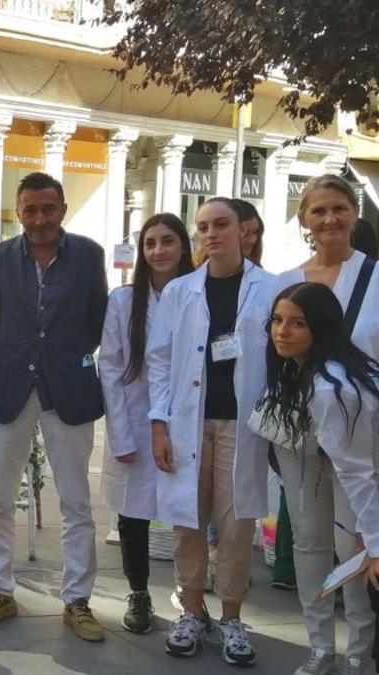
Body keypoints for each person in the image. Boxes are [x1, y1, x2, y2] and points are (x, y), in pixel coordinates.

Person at [0, 172, 108, 642]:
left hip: (68, 388)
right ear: (18, 212)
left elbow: (96, 322)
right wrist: (22, 357)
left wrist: (61, 359)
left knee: (76, 501)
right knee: (0, 499)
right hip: (11, 387)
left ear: (63, 209)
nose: (40, 219)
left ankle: (77, 599)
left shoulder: (88, 256)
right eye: (30, 210)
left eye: (48, 208)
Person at [147, 197, 274, 665]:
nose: (211, 234)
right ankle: (192, 610)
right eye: (203, 226)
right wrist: (158, 423)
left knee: (237, 523)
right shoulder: (180, 291)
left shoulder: (272, 288)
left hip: (242, 424)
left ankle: (233, 617)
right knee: (187, 520)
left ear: (246, 230)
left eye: (221, 224)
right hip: (189, 421)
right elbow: (159, 361)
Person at [267, 175, 379, 675]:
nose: (330, 219)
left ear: (355, 214)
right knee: (308, 542)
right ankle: (319, 647)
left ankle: (358, 650)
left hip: (357, 424)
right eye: (319, 211)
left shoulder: (376, 278)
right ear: (303, 220)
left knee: (352, 544)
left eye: (339, 208)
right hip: (300, 427)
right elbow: (268, 356)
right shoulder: (287, 279)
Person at [98, 213, 194, 635]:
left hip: (186, 418)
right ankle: (138, 592)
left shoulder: (197, 293)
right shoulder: (123, 301)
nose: (158, 251)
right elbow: (112, 367)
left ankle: (189, 597)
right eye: (150, 243)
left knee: (187, 511)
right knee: (133, 513)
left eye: (168, 241)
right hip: (135, 419)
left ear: (183, 247)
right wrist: (120, 433)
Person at [191, 198, 264, 267]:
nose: (251, 240)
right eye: (246, 234)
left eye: (255, 233)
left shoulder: (265, 278)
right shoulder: (192, 276)